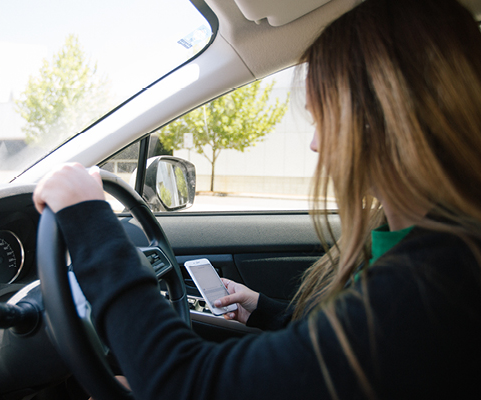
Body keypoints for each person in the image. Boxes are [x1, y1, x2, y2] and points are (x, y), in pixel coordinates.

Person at [33, 0, 481, 398]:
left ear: (388, 116)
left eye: (327, 117)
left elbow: (183, 384)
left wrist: (88, 219)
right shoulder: (408, 244)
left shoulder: (437, 280)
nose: (316, 145)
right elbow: (341, 353)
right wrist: (264, 310)